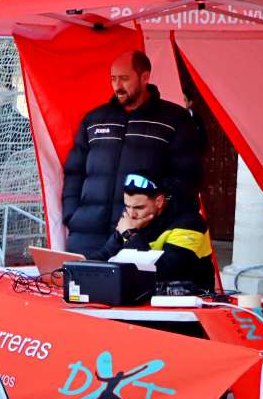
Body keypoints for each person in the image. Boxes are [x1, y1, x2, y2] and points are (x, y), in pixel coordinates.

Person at [62, 50, 201, 256]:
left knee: (130, 288)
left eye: (124, 78)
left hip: (139, 239)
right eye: (113, 79)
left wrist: (152, 221)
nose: (117, 86)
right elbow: (74, 172)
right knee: (76, 288)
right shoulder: (94, 119)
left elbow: (187, 180)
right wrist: (72, 216)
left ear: (145, 77)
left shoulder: (174, 120)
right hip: (86, 238)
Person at [85, 172, 214, 290]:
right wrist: (79, 264)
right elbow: (107, 253)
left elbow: (166, 272)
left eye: (139, 207)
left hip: (190, 299)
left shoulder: (189, 222)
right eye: (127, 206)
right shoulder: (134, 217)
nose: (131, 214)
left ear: (159, 201)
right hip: (145, 295)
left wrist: (130, 235)